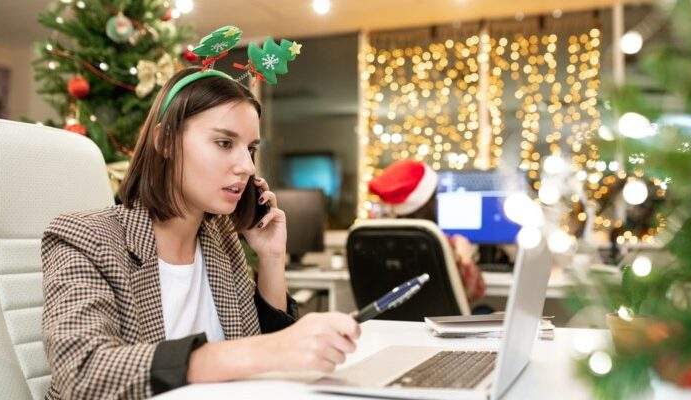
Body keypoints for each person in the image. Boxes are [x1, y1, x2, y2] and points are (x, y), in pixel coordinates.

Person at [40, 66, 360, 400]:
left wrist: (271, 257)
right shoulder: (85, 237)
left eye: (250, 149)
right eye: (224, 143)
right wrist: (264, 352)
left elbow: (268, 359)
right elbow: (82, 372)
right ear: (165, 141)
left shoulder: (220, 240)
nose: (248, 167)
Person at [368, 160, 486, 303]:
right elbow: (475, 292)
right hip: (437, 318)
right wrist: (465, 258)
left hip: (389, 317)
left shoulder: (376, 242)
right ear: (430, 200)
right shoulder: (440, 242)